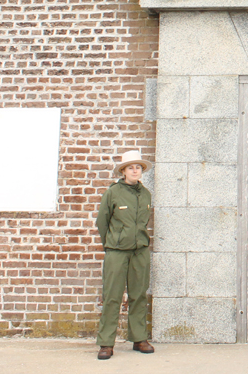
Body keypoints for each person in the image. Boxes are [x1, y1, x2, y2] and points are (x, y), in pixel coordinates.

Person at [95, 150, 155, 360]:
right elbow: (102, 222)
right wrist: (111, 244)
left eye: (138, 167)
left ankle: (139, 339)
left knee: (138, 294)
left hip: (139, 251)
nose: (135, 170)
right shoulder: (112, 193)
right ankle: (106, 343)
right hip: (117, 252)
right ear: (123, 171)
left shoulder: (146, 193)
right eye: (131, 167)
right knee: (112, 296)